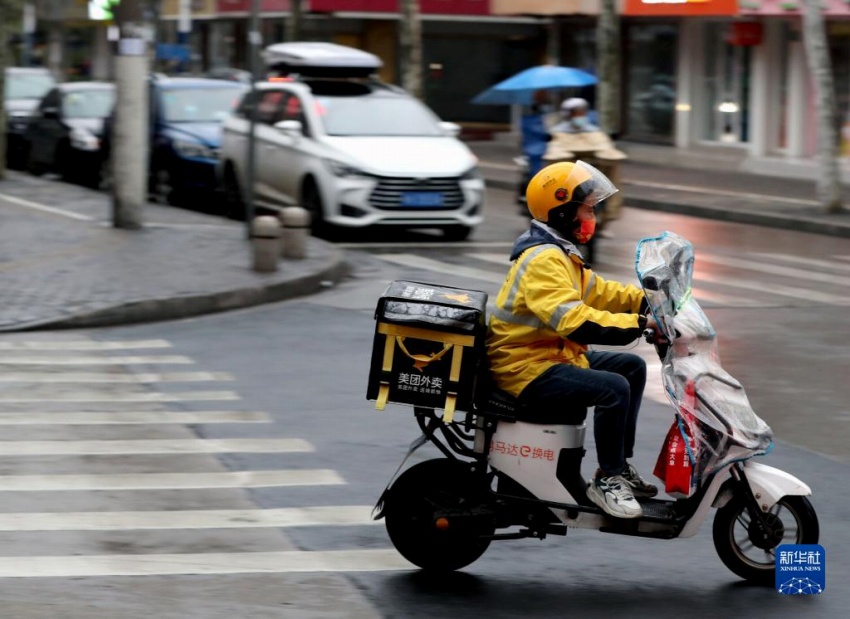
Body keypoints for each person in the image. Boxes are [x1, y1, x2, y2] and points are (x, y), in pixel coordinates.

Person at [486, 160, 663, 519]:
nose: (592, 216)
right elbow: (573, 320)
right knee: (613, 388)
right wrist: (639, 324)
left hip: (548, 356)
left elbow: (600, 292)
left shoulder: (562, 253)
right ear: (563, 211)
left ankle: (618, 466)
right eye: (587, 208)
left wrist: (647, 299)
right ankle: (609, 480)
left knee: (630, 367)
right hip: (525, 367)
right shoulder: (543, 259)